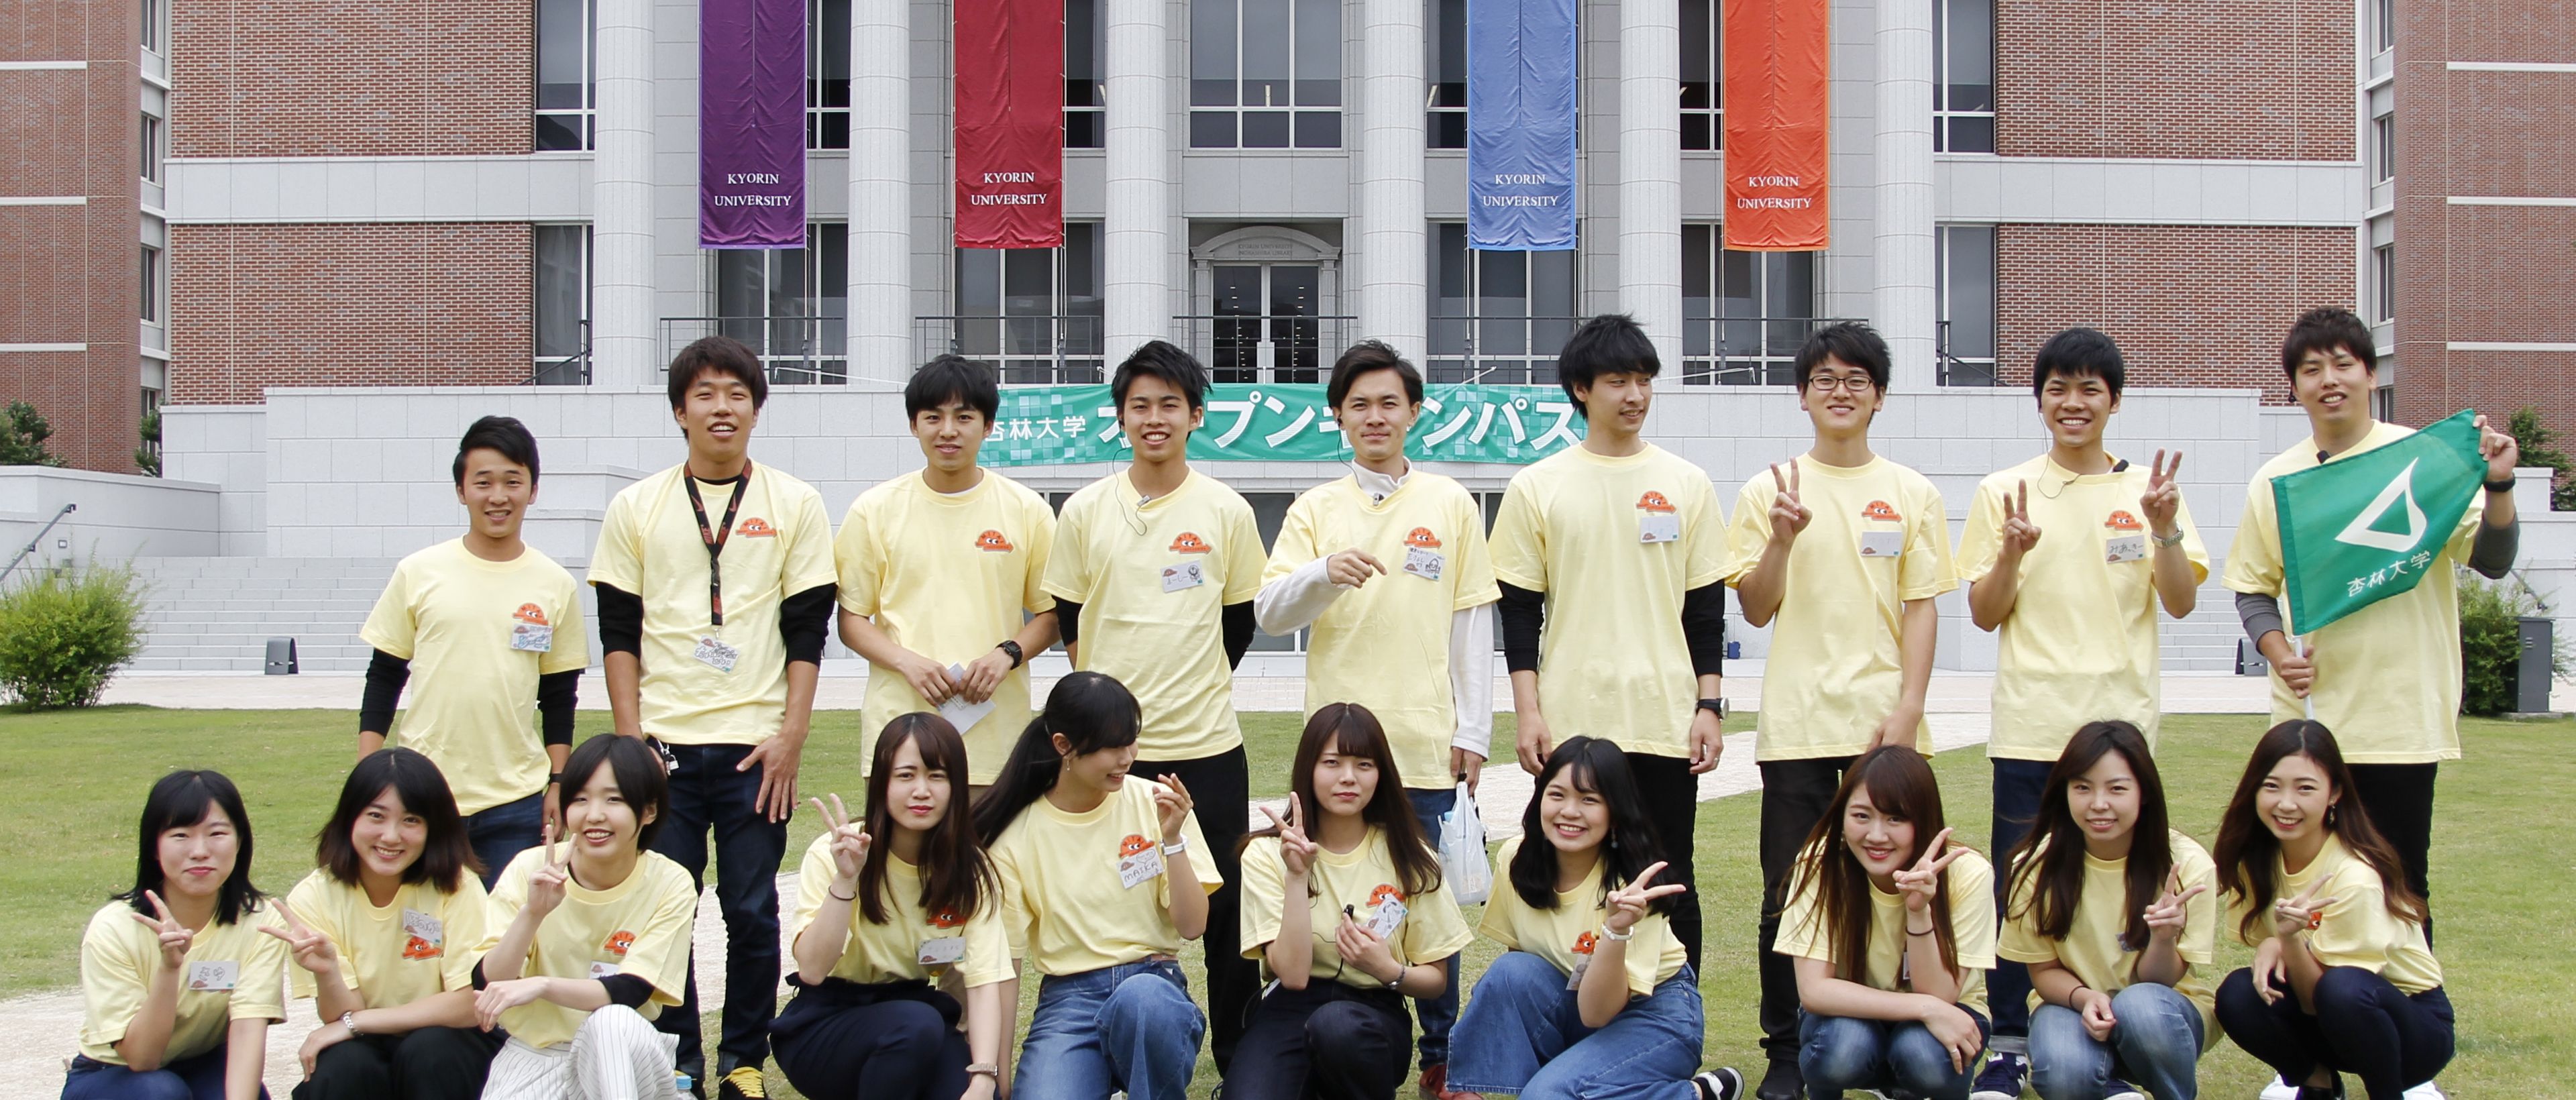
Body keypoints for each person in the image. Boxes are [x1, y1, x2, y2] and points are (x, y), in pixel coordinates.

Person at [1953, 328, 2206, 1097]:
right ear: (2039, 399)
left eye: (2090, 388)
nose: (2073, 402)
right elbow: (1985, 612)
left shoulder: (2150, 493)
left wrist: (2163, 526)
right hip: (2032, 723)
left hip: (2121, 733)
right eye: (2058, 388)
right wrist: (2011, 551)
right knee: (2018, 885)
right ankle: (2008, 1039)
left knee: (2123, 881)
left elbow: (2181, 599)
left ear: (2114, 400)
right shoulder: (2005, 491)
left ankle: (2121, 1021)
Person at [588, 335, 838, 1099]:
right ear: (679, 411)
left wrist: (791, 735)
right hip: (662, 749)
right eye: (705, 394)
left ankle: (742, 1061)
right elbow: (618, 632)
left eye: (737, 393)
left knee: (752, 910)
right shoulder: (637, 506)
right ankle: (680, 1062)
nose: (721, 407)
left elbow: (807, 630)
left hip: (755, 750)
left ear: (756, 409)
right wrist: (631, 742)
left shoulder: (795, 503)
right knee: (666, 911)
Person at [2224, 307, 2519, 951]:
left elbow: (2493, 560)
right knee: (2306, 887)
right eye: (2311, 369)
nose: (2329, 380)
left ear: (2370, 374)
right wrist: (2277, 651)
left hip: (2400, 717)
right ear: (2295, 387)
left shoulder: (2425, 459)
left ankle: (2411, 1011)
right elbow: (2253, 588)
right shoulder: (2277, 481)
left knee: (2400, 885)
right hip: (2311, 720)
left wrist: (2500, 486)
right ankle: (2310, 1012)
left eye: (2342, 364)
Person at [1255, 340, 1498, 1096]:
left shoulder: (1450, 503)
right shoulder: (1315, 509)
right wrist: (1323, 573)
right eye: (1358, 404)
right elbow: (1270, 611)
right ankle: (1316, 1020)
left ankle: (1442, 1055)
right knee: (1325, 885)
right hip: (1336, 752)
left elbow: (1471, 622)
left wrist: (1473, 730)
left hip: (1423, 744)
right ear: (1337, 415)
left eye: (1390, 402)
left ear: (1414, 412)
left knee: (1428, 900)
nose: (1375, 416)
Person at [1729, 321, 1957, 1100]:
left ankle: (1897, 1042)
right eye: (1824, 378)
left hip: (1885, 728)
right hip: (1797, 725)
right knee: (1788, 897)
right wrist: (1781, 540)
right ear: (1802, 394)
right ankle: (1788, 1050)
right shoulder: (1770, 489)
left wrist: (1910, 707)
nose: (1840, 391)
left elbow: (1922, 607)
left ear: (1880, 395)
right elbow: (1755, 607)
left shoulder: (1913, 492)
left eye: (1857, 379)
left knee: (1900, 890)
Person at [1040, 340, 1265, 1067]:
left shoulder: (1227, 510)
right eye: (1140, 405)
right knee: (1114, 898)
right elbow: (1069, 615)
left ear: (1196, 415)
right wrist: (1102, 712)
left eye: (1170, 404)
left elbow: (1239, 622)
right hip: (1109, 755)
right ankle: (1109, 1047)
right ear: (1121, 418)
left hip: (1207, 745)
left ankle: (1239, 1059)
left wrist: (1193, 678)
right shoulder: (1084, 510)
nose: (1155, 418)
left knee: (1228, 911)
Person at [1488, 315, 1727, 985]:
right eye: (1619, 380)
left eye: (1644, 380)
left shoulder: (1687, 483)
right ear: (1580, 388)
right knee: (1567, 875)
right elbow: (1518, 612)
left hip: (1664, 718)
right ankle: (1571, 1011)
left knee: (1669, 877)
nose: (1635, 395)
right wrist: (1529, 712)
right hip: (1573, 721)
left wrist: (1709, 705)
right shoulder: (1538, 485)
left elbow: (1706, 610)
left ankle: (1676, 1017)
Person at [1448, 736, 1743, 1100]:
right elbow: (1519, 975)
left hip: (1654, 1014)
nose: (1570, 812)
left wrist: (1616, 930)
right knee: (1510, 972)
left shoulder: (1635, 885)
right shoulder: (1515, 859)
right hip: (1574, 999)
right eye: (1557, 795)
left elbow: (1597, 1014)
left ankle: (1691, 1095)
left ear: (1615, 812)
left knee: (1547, 1096)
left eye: (1589, 800)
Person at [360, 415, 589, 883]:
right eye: (483, 482)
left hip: (516, 802)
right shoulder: (419, 572)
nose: (498, 496)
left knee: (505, 926)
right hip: (422, 793)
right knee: (420, 925)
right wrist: (368, 774)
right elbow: (385, 674)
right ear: (461, 490)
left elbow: (559, 695)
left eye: (512, 482)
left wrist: (558, 782)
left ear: (533, 490)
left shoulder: (555, 584)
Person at [973, 672, 1220, 1100]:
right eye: (1111, 747)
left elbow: (1193, 925)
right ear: (1063, 745)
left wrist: (1173, 840)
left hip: (1151, 981)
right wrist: (997, 1075)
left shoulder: (1155, 803)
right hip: (1069, 1000)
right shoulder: (1016, 836)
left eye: (1131, 742)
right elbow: (1005, 965)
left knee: (1145, 1003)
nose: (1127, 758)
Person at [834, 355, 1060, 796]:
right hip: (900, 734)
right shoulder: (874, 510)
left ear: (988, 426)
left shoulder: (1026, 510)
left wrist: (1007, 654)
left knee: (990, 844)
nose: (948, 430)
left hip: (994, 740)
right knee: (901, 845)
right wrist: (907, 662)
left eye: (964, 417)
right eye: (933, 417)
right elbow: (852, 619)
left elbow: (1052, 614)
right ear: (914, 425)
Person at [1230, 703, 1473, 1100]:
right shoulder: (1267, 854)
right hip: (1290, 1005)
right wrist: (1297, 877)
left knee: (1338, 1027)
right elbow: (1292, 976)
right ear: (1309, 768)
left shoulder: (1410, 856)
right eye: (1332, 763)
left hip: (1373, 1013)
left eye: (1364, 764)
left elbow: (1436, 981)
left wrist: (1388, 970)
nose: (1348, 777)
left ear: (1381, 774)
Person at [773, 714, 1011, 1100]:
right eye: (906, 776)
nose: (922, 791)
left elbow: (984, 982)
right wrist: (846, 880)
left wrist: (984, 1077)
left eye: (937, 776)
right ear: (882, 782)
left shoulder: (970, 871)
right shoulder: (839, 851)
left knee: (965, 1081)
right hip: (826, 1024)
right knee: (916, 1025)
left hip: (914, 1017)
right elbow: (813, 970)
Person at [2212, 721, 2450, 1100]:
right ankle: (2318, 1085)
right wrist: (2276, 941)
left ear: (2335, 792)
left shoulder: (2355, 876)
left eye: (2305, 788)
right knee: (2238, 994)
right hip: (2334, 1020)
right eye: (2271, 786)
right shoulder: (2256, 861)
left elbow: (2325, 999)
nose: (2286, 804)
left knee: (2343, 989)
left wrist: (2287, 940)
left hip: (2410, 1027)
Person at [1997, 722, 2218, 1100]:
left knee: (2140, 1009)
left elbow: (2161, 982)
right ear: (2064, 791)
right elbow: (2043, 972)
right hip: (2070, 1004)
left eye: (2117, 789)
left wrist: (2163, 939)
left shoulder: (2186, 865)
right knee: (2063, 1072)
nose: (2098, 804)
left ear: (2144, 793)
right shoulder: (2035, 866)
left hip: (2163, 1009)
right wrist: (2085, 998)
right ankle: (2105, 1081)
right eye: (2082, 788)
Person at [476, 734, 701, 1100]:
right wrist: (533, 914)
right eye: (580, 799)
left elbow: (631, 990)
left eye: (614, 799)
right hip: (538, 1053)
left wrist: (543, 985)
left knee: (610, 1022)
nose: (594, 815)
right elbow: (491, 980)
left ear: (649, 810)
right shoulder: (530, 868)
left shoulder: (670, 882)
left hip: (627, 1055)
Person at [272, 749, 503, 1100]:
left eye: (411, 820)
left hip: (447, 1038)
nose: (391, 836)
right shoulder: (313, 896)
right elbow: (339, 1015)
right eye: (376, 816)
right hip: (366, 1040)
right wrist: (328, 972)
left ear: (433, 828)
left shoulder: (457, 886)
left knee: (430, 1052)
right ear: (350, 818)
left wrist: (359, 1022)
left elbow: (468, 1004)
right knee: (341, 1067)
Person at [1773, 745, 1995, 1100]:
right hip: (1850, 1015)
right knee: (1842, 1048)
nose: (1876, 835)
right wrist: (1925, 1008)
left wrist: (1919, 912)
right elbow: (1815, 990)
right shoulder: (1821, 864)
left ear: (1923, 819)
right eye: (1862, 816)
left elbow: (1941, 996)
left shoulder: (1968, 873)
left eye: (1896, 819)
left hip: (1946, 1012)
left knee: (1923, 1055)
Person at [65, 770, 288, 1100]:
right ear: (154, 848)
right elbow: (142, 1058)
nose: (200, 851)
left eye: (217, 833)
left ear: (240, 841)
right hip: (113, 1073)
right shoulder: (115, 928)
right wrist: (169, 969)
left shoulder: (260, 921)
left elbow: (247, 1029)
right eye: (181, 835)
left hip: (204, 1062)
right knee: (161, 1093)